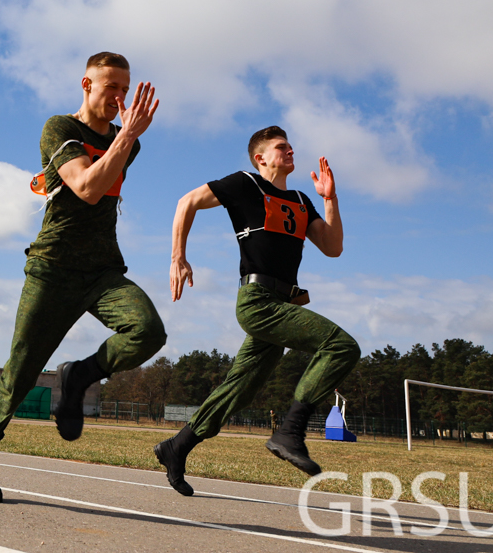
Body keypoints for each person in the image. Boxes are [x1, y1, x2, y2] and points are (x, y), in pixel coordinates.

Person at [0, 52, 166, 503]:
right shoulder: (60, 129)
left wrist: (127, 137)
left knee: (148, 331)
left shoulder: (128, 141)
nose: (119, 96)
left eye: (124, 88)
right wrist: (127, 137)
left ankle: (78, 376)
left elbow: (110, 174)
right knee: (21, 369)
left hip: (101, 271)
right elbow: (87, 187)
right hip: (53, 268)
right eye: (110, 86)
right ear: (86, 84)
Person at [155, 126, 361, 496]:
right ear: (260, 157)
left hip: (282, 304)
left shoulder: (300, 198)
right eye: (282, 147)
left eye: (291, 146)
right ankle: (290, 431)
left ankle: (177, 446)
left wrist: (330, 199)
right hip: (257, 302)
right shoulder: (245, 183)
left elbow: (333, 247)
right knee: (341, 346)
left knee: (240, 388)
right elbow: (186, 202)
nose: (291, 150)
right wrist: (178, 257)